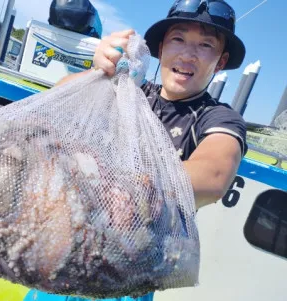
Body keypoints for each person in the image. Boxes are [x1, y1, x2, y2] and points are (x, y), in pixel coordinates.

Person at [26, 0, 247, 301]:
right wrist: (98, 71)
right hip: (64, 253)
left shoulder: (218, 117)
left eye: (205, 45)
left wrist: (122, 188)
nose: (187, 54)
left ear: (220, 62)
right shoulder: (128, 91)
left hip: (126, 280)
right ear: (160, 49)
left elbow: (214, 176)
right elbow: (56, 104)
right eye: (178, 39)